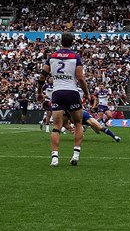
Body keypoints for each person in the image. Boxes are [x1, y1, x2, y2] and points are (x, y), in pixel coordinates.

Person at [45, 32, 88, 167]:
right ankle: (75, 154)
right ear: (72, 42)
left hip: (57, 92)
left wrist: (39, 92)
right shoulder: (75, 57)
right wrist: (87, 93)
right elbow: (80, 77)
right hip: (72, 92)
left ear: (61, 42)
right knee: (78, 123)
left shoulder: (52, 56)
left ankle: (55, 158)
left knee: (57, 126)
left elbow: (42, 76)